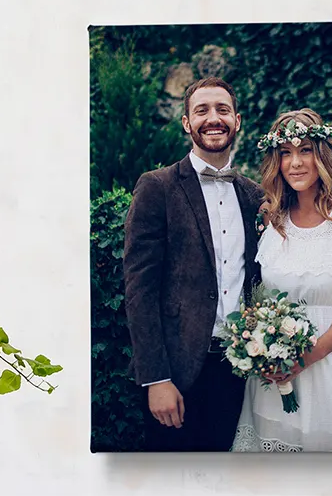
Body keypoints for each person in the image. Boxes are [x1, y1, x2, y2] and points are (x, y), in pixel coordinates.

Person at [123, 77, 265, 451]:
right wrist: (155, 379)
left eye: (222, 110)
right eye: (201, 110)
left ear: (237, 121)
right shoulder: (158, 186)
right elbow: (139, 288)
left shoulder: (255, 196)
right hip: (176, 376)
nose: (212, 118)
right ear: (187, 122)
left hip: (241, 371)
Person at [231, 108, 332, 452]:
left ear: (323, 156)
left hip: (323, 370)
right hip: (270, 376)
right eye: (286, 153)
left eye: (305, 151)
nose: (295, 163)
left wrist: (306, 358)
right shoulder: (270, 217)